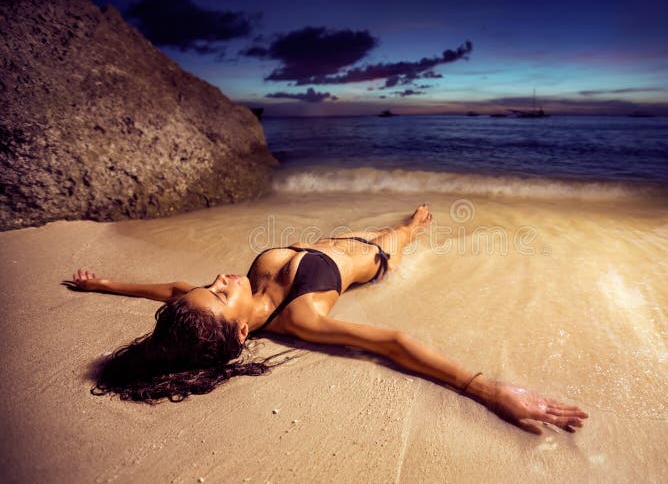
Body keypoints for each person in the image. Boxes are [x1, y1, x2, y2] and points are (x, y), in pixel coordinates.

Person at [68, 204, 587, 435]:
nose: (220, 280)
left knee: (394, 227)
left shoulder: (212, 303)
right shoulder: (302, 317)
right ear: (242, 332)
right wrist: (490, 390)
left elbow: (168, 289)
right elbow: (393, 342)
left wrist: (103, 284)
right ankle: (413, 225)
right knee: (405, 233)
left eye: (212, 286)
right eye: (220, 292)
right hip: (375, 260)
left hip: (334, 243)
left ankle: (408, 222)